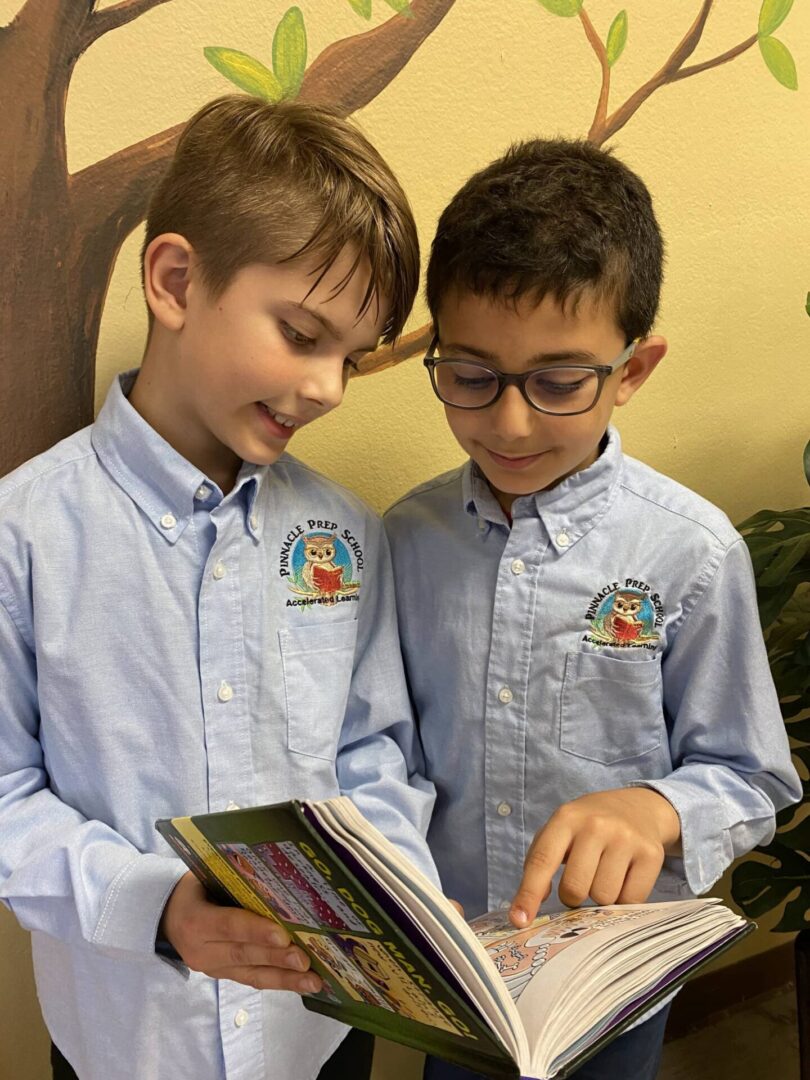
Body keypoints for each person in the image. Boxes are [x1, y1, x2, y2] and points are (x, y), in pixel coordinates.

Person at [0, 95, 439, 1080]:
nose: (329, 387)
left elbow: (374, 756)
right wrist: (157, 906)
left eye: (351, 356)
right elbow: (5, 794)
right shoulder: (23, 535)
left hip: (320, 1027)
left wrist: (399, 895)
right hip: (128, 1037)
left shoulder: (344, 533)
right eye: (301, 332)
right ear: (175, 279)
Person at [383, 139, 802, 1080]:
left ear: (634, 369)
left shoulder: (690, 554)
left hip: (608, 981)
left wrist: (657, 807)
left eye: (560, 381)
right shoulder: (406, 540)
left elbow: (753, 777)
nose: (511, 421)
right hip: (451, 964)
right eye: (471, 376)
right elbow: (386, 746)